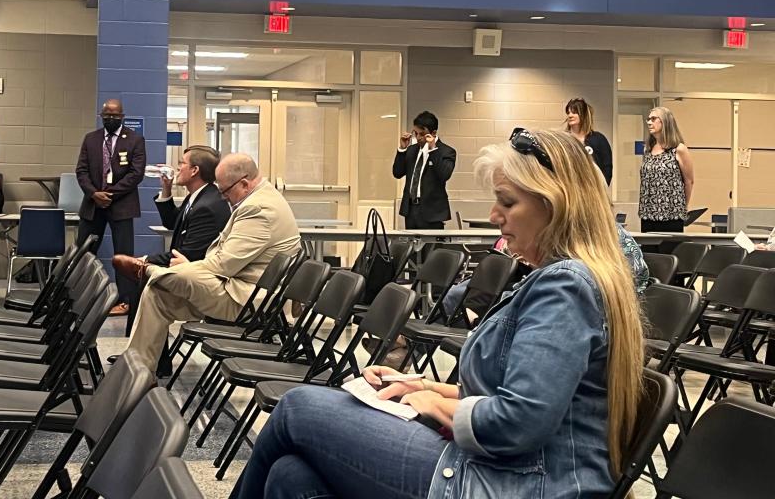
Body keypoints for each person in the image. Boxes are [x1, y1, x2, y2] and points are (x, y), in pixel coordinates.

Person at [230, 129, 645, 499]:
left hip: (515, 484)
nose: (495, 216)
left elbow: (519, 423)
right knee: (291, 476)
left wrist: (433, 402)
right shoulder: (566, 279)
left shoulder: (567, 285)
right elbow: (524, 400)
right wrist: (418, 385)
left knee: (298, 408)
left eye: (507, 202)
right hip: (509, 472)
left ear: (556, 204)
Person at [124, 153, 300, 375]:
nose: (223, 197)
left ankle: (150, 270)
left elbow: (223, 265)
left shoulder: (259, 209)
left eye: (225, 190)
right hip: (236, 286)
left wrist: (185, 268)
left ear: (244, 184)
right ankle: (139, 373)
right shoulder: (259, 198)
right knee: (158, 293)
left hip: (247, 300)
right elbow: (222, 260)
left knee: (162, 280)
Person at [113, 144, 230, 341]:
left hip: (199, 277)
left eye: (181, 164)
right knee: (143, 276)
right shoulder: (199, 196)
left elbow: (189, 254)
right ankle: (144, 351)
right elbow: (171, 223)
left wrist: (144, 259)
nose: (177, 169)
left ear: (194, 171)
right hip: (188, 267)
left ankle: (145, 352)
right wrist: (166, 189)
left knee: (145, 280)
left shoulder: (207, 206)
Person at [75, 98, 146, 317]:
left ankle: (125, 301)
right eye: (106, 115)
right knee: (84, 252)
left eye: (115, 116)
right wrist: (94, 194)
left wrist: (111, 195)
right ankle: (78, 297)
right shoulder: (91, 139)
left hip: (122, 204)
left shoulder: (135, 139)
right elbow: (81, 171)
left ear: (122, 117)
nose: (110, 119)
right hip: (93, 204)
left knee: (123, 255)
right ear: (101, 116)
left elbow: (137, 174)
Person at [392, 111, 457, 229]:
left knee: (431, 247)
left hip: (432, 213)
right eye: (415, 133)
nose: (418, 138)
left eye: (422, 134)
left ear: (433, 133)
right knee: (412, 247)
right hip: (411, 210)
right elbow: (397, 173)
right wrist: (402, 149)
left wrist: (433, 150)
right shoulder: (412, 150)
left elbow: (444, 175)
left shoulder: (446, 152)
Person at [638, 106, 694, 233]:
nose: (649, 122)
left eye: (653, 119)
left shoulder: (678, 149)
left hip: (671, 214)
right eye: (648, 119)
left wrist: (683, 207)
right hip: (648, 214)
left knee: (668, 251)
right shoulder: (648, 149)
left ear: (665, 122)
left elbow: (689, 181)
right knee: (649, 252)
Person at [565, 97, 613, 185]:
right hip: (570, 189)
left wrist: (603, 187)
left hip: (593, 189)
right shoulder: (564, 139)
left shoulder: (598, 139)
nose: (570, 115)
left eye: (574, 112)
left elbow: (607, 166)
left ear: (583, 115)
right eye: (568, 112)